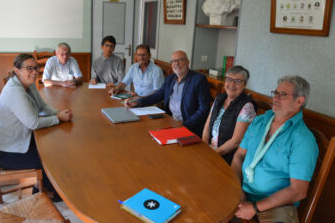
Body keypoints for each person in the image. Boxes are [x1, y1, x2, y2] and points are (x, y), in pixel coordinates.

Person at [0, 54, 72, 201]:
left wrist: (58, 113)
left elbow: (42, 107)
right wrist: (58, 118)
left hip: (13, 140)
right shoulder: (15, 91)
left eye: (36, 68)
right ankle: (47, 193)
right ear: (17, 70)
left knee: (51, 145)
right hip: (2, 151)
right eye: (29, 68)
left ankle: (42, 186)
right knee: (50, 158)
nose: (34, 72)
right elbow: (33, 123)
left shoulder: (28, 84)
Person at [231, 75, 318, 222]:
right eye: (275, 93)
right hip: (242, 190)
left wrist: (254, 207)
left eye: (282, 94)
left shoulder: (303, 139)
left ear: (299, 101)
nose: (275, 98)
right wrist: (237, 190)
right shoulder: (259, 121)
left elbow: (298, 191)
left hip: (275, 203)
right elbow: (239, 156)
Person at [125, 50, 211, 137]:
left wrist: (184, 125)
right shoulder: (171, 78)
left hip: (189, 127)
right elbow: (158, 95)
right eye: (173, 61)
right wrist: (138, 102)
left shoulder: (199, 79)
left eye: (180, 60)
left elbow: (203, 109)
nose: (176, 63)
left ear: (187, 62)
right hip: (170, 121)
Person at [202, 66, 257, 165]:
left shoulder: (247, 106)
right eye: (229, 79)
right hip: (210, 151)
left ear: (244, 85)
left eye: (237, 81)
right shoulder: (219, 98)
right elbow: (207, 127)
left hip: (228, 158)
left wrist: (212, 154)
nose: (232, 84)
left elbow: (236, 141)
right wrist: (204, 148)